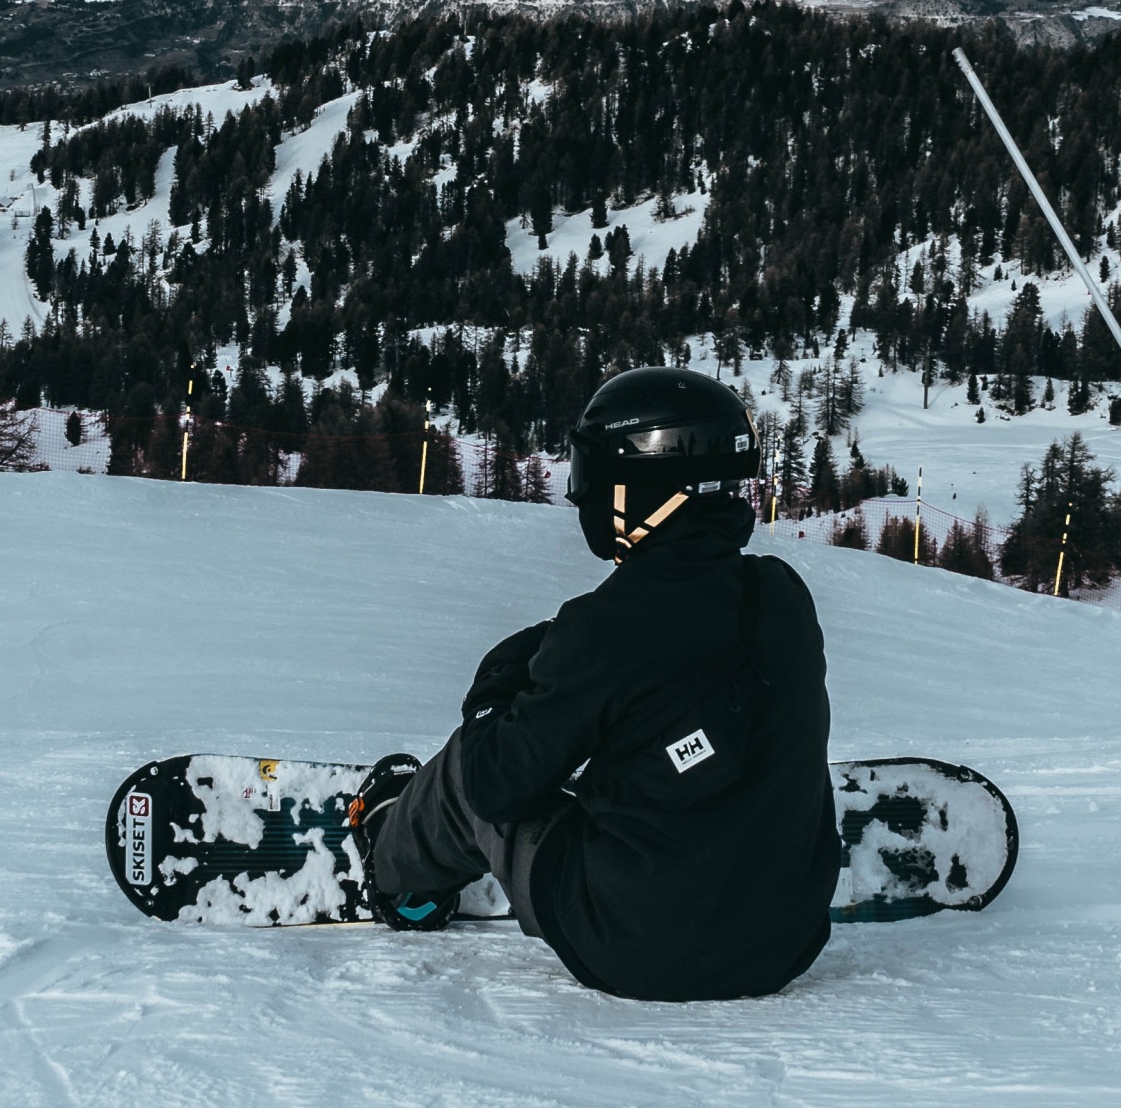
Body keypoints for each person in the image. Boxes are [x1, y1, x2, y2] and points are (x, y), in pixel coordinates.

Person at [350, 366, 842, 1002]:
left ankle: (400, 877)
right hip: (784, 946)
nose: (581, 496)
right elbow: (675, 655)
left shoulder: (605, 629)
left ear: (636, 485)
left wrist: (493, 697)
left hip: (635, 948)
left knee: (466, 775)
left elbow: (497, 784)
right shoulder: (782, 595)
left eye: (589, 476)